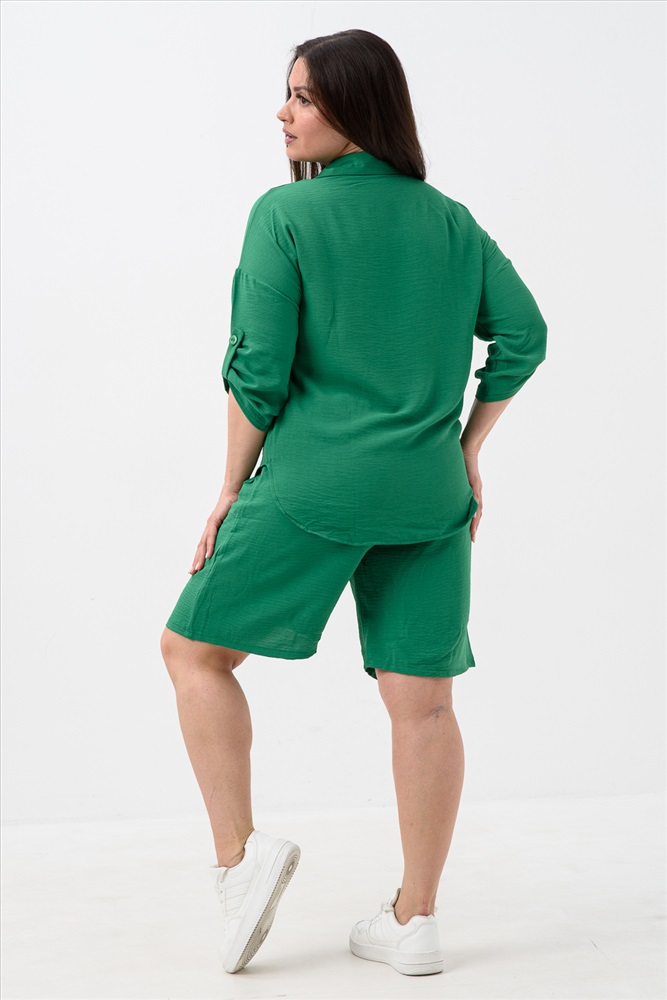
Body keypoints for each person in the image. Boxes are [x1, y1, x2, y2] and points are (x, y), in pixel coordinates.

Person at [160, 28, 547, 978]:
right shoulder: (450, 221)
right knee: (424, 705)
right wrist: (464, 451)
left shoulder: (285, 215)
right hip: (428, 495)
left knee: (193, 653)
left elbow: (258, 370)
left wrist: (227, 489)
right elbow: (524, 335)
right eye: (287, 94)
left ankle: (240, 861)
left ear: (355, 107)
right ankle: (415, 921)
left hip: (314, 485)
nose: (283, 113)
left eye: (302, 97)